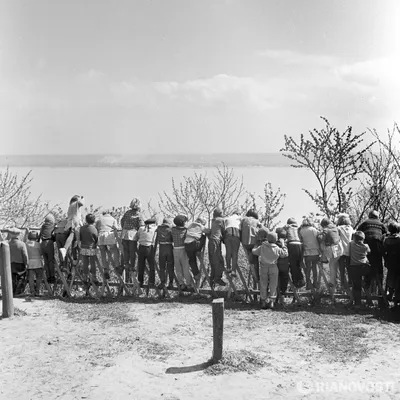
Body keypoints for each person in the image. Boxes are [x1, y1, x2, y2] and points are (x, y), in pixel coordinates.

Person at [252, 230, 288, 310]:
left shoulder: (262, 246)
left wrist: (255, 245)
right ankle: (272, 302)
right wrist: (283, 245)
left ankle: (263, 301)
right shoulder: (277, 248)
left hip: (263, 267)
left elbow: (254, 252)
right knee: (273, 285)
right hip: (273, 267)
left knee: (263, 284)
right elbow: (285, 254)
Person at [357, 210, 387, 291]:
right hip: (378, 245)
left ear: (369, 216)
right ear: (377, 217)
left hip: (367, 245)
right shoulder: (381, 224)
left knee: (368, 264)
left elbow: (358, 232)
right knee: (378, 265)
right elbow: (386, 234)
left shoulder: (365, 223)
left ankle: (367, 284)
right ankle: (380, 288)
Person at [318, 217, 342, 300]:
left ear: (323, 225)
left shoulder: (326, 229)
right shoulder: (335, 227)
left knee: (332, 266)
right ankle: (335, 282)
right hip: (339, 248)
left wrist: (319, 234)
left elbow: (321, 238)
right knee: (333, 265)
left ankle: (323, 258)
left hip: (332, 249)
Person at [120, 198, 144, 276]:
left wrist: (123, 227)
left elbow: (122, 221)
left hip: (124, 232)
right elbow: (141, 225)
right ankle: (132, 266)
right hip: (133, 233)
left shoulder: (127, 213)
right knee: (132, 251)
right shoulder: (138, 214)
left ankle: (126, 264)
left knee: (125, 250)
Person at [348, 231, 372, 308]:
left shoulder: (351, 244)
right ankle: (369, 299)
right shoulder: (366, 246)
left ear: (354, 238)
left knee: (356, 286)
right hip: (364, 267)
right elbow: (369, 252)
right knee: (367, 282)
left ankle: (357, 303)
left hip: (354, 267)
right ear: (363, 239)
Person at [59, 195, 85, 262]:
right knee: (73, 235)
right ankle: (65, 249)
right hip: (75, 223)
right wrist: (82, 198)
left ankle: (74, 258)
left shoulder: (70, 206)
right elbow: (81, 203)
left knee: (74, 240)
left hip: (69, 223)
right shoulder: (76, 204)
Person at [95, 210, 119, 280]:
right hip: (109, 234)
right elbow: (116, 228)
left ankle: (105, 268)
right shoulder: (113, 219)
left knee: (103, 252)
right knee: (115, 249)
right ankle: (117, 265)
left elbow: (97, 228)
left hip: (101, 235)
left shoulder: (99, 220)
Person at [241, 209, 262, 287]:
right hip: (254, 242)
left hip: (245, 243)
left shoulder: (243, 219)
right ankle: (257, 277)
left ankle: (254, 275)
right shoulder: (256, 221)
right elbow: (262, 228)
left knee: (251, 259)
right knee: (255, 260)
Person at [184, 217, 207, 286]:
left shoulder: (190, 225)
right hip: (194, 244)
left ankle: (196, 274)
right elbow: (208, 231)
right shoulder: (200, 226)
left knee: (191, 260)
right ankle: (198, 250)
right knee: (203, 236)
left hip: (186, 244)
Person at [172, 215, 193, 290]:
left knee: (178, 268)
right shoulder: (186, 230)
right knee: (186, 267)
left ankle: (181, 283)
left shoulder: (173, 230)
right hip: (184, 249)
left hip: (175, 249)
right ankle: (189, 284)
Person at [298, 217, 320, 290]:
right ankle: (315, 283)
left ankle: (308, 284)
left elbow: (300, 241)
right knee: (314, 268)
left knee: (308, 269)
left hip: (307, 252)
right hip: (316, 251)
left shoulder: (301, 230)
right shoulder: (314, 230)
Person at [135, 218, 157, 288]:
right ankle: (152, 282)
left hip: (141, 247)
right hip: (150, 247)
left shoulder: (141, 228)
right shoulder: (154, 228)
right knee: (151, 265)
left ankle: (140, 281)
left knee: (141, 265)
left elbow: (137, 237)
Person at [78, 213, 99, 285]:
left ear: (86, 220)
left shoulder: (82, 228)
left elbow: (80, 237)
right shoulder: (94, 229)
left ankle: (85, 277)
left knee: (85, 263)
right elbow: (96, 238)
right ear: (94, 220)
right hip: (91, 248)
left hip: (84, 247)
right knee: (93, 263)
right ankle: (94, 277)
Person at [208, 207, 226, 287]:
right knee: (220, 261)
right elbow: (223, 230)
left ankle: (212, 279)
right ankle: (218, 278)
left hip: (211, 241)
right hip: (216, 241)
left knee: (213, 261)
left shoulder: (213, 220)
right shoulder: (220, 220)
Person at [284, 218, 305, 288]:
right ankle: (300, 280)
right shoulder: (298, 228)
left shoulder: (287, 227)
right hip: (300, 245)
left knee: (293, 265)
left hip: (291, 244)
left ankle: (297, 282)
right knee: (298, 264)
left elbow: (282, 234)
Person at [154, 218, 175, 289]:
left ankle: (162, 282)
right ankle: (171, 282)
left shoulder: (159, 228)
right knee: (170, 265)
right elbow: (173, 239)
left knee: (162, 266)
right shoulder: (171, 229)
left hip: (162, 247)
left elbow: (156, 238)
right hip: (169, 247)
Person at [383, 222, 400, 304]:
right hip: (398, 262)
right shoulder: (399, 240)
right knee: (398, 279)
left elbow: (384, 251)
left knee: (390, 278)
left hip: (390, 262)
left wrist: (386, 260)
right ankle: (397, 297)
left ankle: (390, 294)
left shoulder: (386, 240)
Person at [336, 213, 354, 292]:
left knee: (341, 269)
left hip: (341, 250)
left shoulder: (338, 228)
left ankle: (342, 284)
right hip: (350, 250)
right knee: (349, 268)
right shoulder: (350, 228)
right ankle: (350, 282)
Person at [8, 227, 28, 295]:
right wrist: (26, 263)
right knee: (21, 278)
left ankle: (12, 292)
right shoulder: (22, 244)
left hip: (10, 264)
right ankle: (18, 292)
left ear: (10, 234)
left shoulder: (7, 244)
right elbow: (25, 255)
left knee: (12, 278)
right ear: (18, 234)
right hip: (20, 264)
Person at [224, 209, 242, 277]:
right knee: (235, 253)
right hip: (236, 233)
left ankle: (228, 267)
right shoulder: (239, 218)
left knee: (228, 252)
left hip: (227, 233)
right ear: (238, 213)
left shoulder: (228, 218)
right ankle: (233, 271)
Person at [39, 214, 56, 283]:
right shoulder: (53, 226)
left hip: (42, 243)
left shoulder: (43, 226)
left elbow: (40, 235)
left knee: (46, 262)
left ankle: (48, 276)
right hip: (49, 243)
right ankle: (52, 277)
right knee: (50, 261)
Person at [26, 231, 44, 296]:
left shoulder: (26, 244)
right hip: (38, 262)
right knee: (39, 278)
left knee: (31, 278)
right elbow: (41, 253)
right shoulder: (39, 244)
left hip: (30, 263)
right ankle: (37, 291)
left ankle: (32, 292)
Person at [276, 227, 290, 303]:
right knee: (284, 281)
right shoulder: (287, 244)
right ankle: (282, 296)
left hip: (277, 265)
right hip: (285, 266)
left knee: (276, 281)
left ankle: (276, 297)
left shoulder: (275, 243)